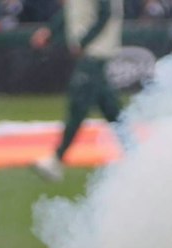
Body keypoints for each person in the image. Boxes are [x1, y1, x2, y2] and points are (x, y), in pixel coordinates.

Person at [28, 0, 119, 183]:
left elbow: (106, 12)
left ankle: (57, 158)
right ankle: (138, 154)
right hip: (92, 51)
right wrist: (51, 31)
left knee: (79, 104)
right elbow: (73, 10)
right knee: (112, 111)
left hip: (95, 52)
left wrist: (84, 41)